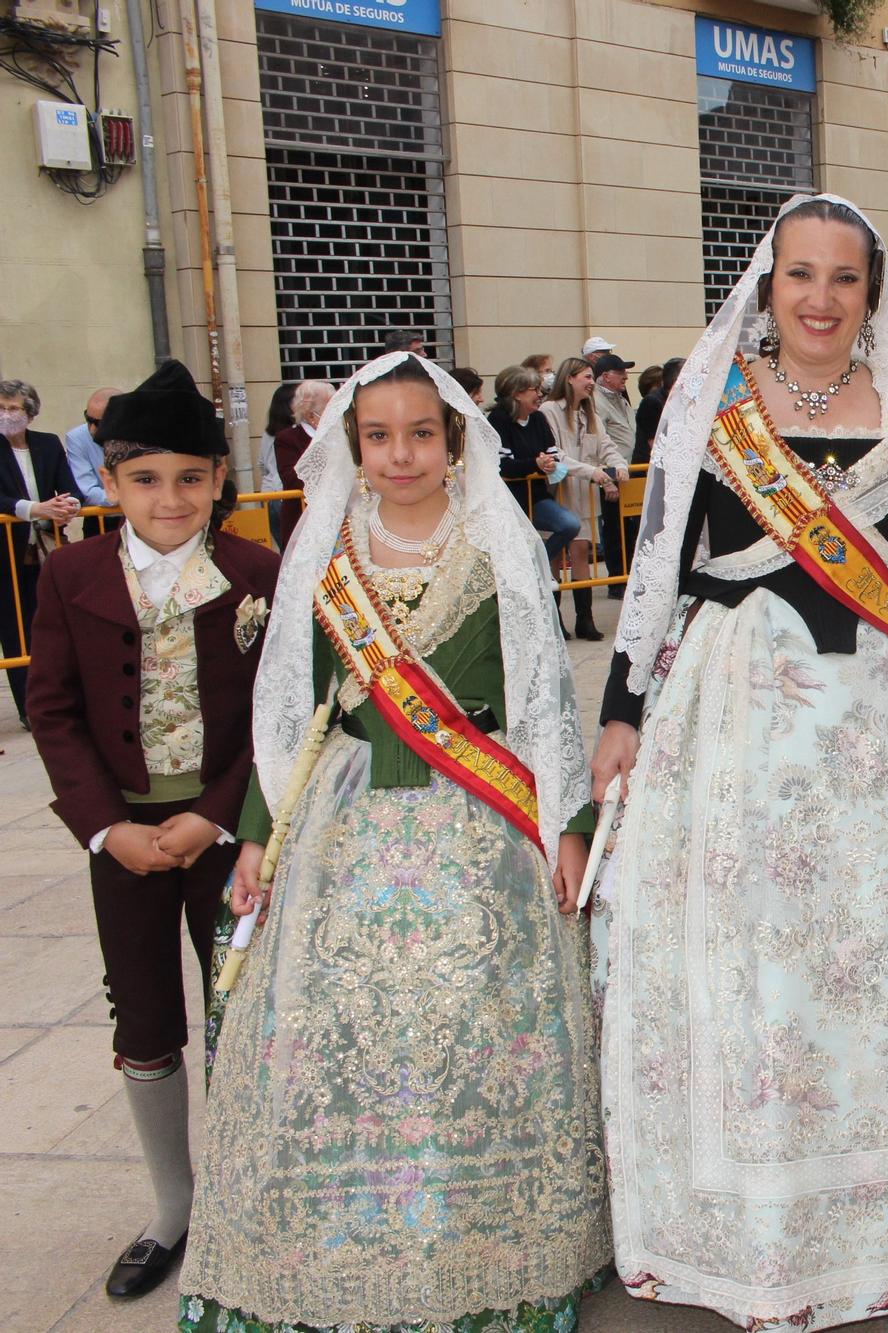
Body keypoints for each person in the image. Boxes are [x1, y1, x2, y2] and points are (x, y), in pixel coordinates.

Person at [589, 193, 888, 1330]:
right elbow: (658, 561)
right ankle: (743, 1217)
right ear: (767, 286)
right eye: (798, 275)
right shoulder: (708, 400)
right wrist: (621, 706)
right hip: (738, 713)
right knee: (747, 960)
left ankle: (877, 1215)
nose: (818, 299)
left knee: (875, 953)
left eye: (842, 279)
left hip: (881, 717)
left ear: (871, 291)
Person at [178, 352, 608, 1332]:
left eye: (422, 433)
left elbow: (544, 700)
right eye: (380, 436)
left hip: (480, 826)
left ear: (455, 442)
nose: (401, 453)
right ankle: (342, 1239)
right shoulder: (325, 555)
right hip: (343, 821)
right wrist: (256, 839)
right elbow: (286, 712)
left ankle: (486, 1246)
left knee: (473, 1032)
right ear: (351, 446)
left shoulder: (499, 545)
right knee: (338, 1038)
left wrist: (567, 827)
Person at [25, 360, 280, 1302]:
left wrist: (217, 813)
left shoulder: (257, 570)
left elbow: (278, 712)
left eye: (188, 477)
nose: (167, 498)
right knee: (143, 1013)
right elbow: (52, 709)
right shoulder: (71, 572)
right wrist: (103, 828)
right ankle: (173, 1206)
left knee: (243, 1006)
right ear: (112, 482)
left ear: (218, 479)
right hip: (123, 843)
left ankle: (249, 1197)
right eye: (144, 478)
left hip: (228, 836)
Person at [2, 378, 83, 726]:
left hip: (47, 549)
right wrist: (35, 509)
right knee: (15, 631)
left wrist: (67, 505)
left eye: (14, 408)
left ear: (30, 413)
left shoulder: (48, 444)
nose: (7, 415)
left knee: (51, 625)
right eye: (2, 408)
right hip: (7, 552)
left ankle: (59, 698)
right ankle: (28, 709)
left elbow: (70, 489)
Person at [538, 356, 625, 640]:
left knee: (581, 555)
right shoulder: (549, 410)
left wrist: (619, 467)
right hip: (559, 492)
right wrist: (593, 472)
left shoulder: (590, 415)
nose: (591, 383)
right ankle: (555, 621)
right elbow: (555, 453)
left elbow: (606, 446)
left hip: (585, 495)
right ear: (569, 378)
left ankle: (584, 619)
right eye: (586, 377)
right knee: (555, 557)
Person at [487, 365, 582, 578]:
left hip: (537, 496)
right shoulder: (498, 420)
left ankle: (536, 563)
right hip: (510, 501)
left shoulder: (538, 419)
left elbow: (552, 452)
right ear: (517, 393)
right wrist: (535, 464)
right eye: (534, 389)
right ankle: (526, 570)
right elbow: (503, 466)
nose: (539, 395)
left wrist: (550, 464)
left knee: (569, 524)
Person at [591, 351, 638, 590]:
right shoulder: (596, 401)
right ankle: (616, 579)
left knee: (629, 527)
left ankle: (628, 574)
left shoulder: (621, 398)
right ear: (605, 376)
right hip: (610, 472)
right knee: (613, 528)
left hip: (627, 469)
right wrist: (607, 479)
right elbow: (601, 442)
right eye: (620, 373)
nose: (625, 377)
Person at [269, 380, 331, 550]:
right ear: (311, 416)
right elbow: (291, 478)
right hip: (303, 520)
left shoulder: (340, 437)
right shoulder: (288, 438)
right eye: (330, 409)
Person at [63, 387, 117, 508]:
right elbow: (88, 492)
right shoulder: (77, 438)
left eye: (99, 423)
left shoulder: (140, 434)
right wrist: (130, 497)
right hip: (100, 518)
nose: (92, 429)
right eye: (88, 419)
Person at [631, 356, 682, 470]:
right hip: (648, 472)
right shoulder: (652, 402)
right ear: (677, 380)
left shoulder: (679, 402)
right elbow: (656, 445)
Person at [255, 383, 298, 495]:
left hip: (268, 491)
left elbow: (261, 464)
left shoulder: (268, 433)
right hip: (287, 493)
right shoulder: (295, 433)